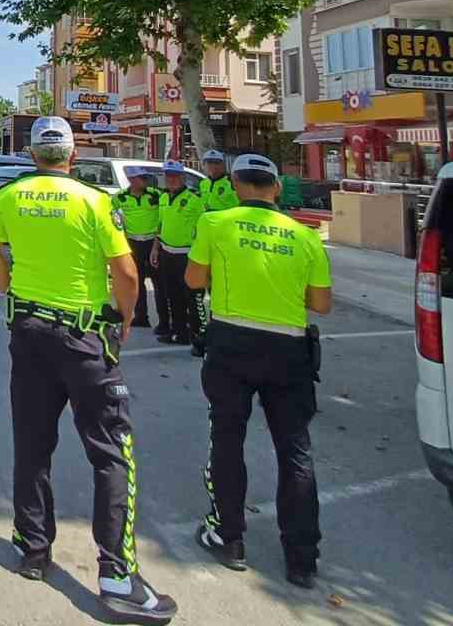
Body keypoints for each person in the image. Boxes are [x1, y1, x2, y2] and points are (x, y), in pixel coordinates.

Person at [0, 117, 177, 625]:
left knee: (32, 441)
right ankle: (116, 575)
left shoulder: (12, 196)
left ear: (30, 153)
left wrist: (12, 291)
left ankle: (32, 548)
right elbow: (126, 270)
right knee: (111, 452)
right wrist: (127, 315)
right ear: (72, 153)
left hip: (28, 333)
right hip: (84, 337)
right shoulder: (94, 201)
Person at [186, 153, 331, 588]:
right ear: (276, 188)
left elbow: (194, 280)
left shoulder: (216, 224)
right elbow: (321, 303)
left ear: (233, 186)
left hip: (231, 342)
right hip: (289, 348)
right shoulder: (305, 236)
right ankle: (302, 558)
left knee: (227, 439)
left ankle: (229, 538)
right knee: (295, 450)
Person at [154, 161, 206, 351]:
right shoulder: (163, 197)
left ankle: (199, 337)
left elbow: (204, 228)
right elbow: (160, 226)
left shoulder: (194, 199)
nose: (171, 180)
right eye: (168, 176)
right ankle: (179, 333)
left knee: (193, 298)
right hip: (167, 253)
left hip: (188, 255)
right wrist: (155, 248)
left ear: (183, 178)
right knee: (173, 296)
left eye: (175, 176)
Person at [112, 170, 162, 329]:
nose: (146, 181)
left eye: (146, 178)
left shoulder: (155, 195)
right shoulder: (120, 197)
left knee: (158, 282)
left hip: (153, 242)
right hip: (133, 242)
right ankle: (141, 317)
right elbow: (111, 214)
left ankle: (164, 321)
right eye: (143, 178)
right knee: (137, 281)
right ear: (132, 180)